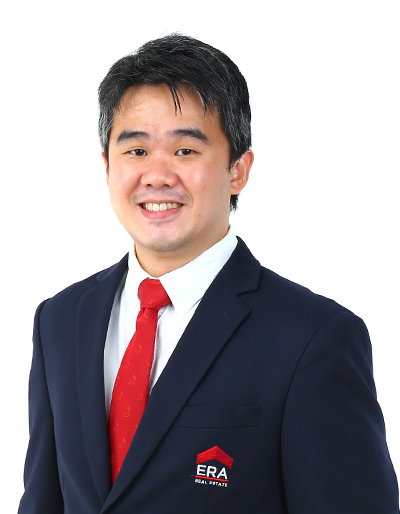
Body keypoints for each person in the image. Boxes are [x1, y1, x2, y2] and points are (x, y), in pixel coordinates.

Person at [18, 34, 399, 514]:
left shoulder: (314, 339)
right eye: (136, 151)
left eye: (185, 151)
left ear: (238, 170)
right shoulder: (59, 320)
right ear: (107, 166)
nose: (157, 175)